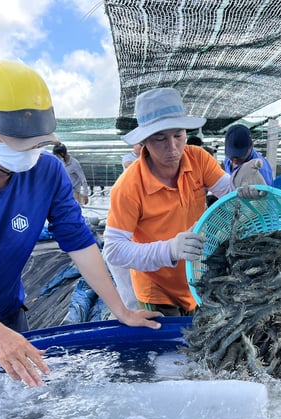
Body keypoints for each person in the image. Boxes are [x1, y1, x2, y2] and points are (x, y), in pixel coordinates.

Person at [0, 60, 162, 388]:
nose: (28, 152)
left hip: (3, 307)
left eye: (37, 142)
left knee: (13, 405)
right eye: (15, 141)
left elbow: (78, 242)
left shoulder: (48, 173)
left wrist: (121, 309)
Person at [103, 87, 265, 316]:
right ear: (145, 141)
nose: (172, 147)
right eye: (160, 139)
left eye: (178, 135)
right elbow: (114, 249)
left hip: (197, 276)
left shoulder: (198, 159)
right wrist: (169, 249)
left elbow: (227, 192)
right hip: (157, 289)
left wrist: (242, 180)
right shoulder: (129, 187)